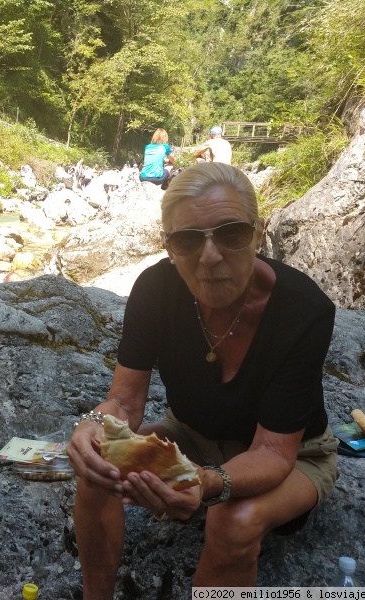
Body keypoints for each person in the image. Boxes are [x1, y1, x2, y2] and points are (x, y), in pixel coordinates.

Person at [66, 162, 338, 595]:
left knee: (233, 520)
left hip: (295, 454)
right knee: (98, 465)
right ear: (170, 248)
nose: (210, 257)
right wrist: (93, 425)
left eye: (231, 234)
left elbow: (273, 450)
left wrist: (210, 483)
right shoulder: (155, 291)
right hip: (189, 435)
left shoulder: (303, 310)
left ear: (258, 233)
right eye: (188, 240)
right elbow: (124, 402)